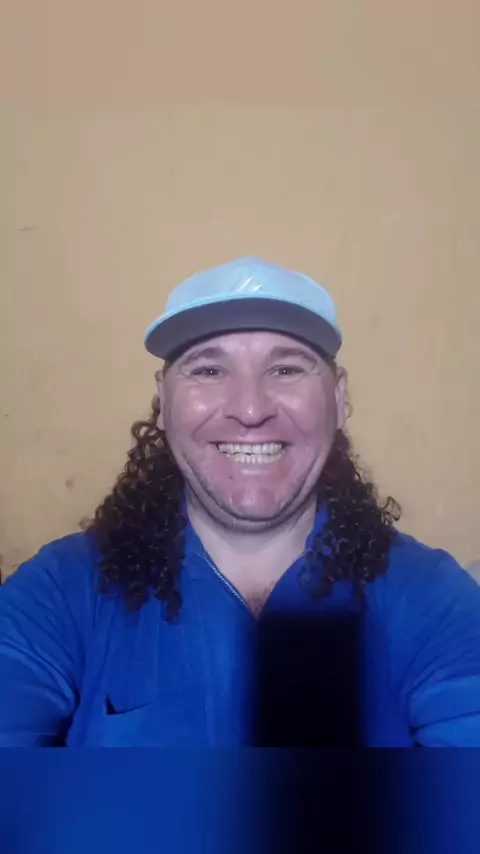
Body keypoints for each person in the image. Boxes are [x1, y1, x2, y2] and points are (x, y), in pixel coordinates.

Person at [1, 257, 480, 747]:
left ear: (338, 399)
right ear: (163, 402)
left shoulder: (433, 599)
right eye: (209, 369)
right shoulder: (61, 592)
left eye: (286, 369)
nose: (250, 410)